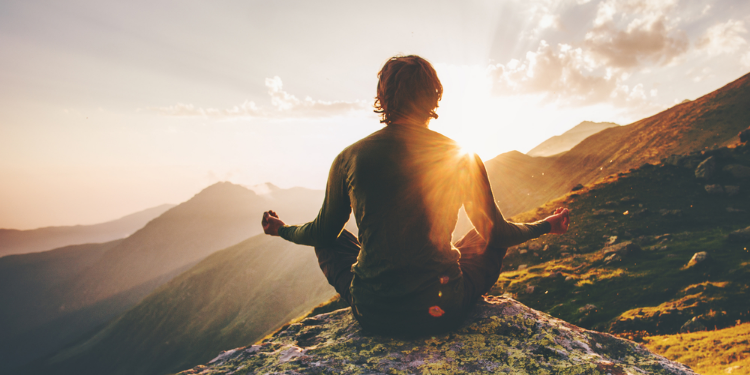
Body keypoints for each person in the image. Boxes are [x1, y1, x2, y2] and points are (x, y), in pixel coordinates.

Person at [262, 55, 570, 336]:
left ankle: (379, 288)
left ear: (382, 98)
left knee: (332, 238)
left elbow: (320, 232)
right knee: (484, 237)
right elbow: (499, 233)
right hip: (441, 311)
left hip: (373, 313)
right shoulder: (461, 155)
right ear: (434, 97)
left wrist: (282, 229)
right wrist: (546, 225)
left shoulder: (350, 157)